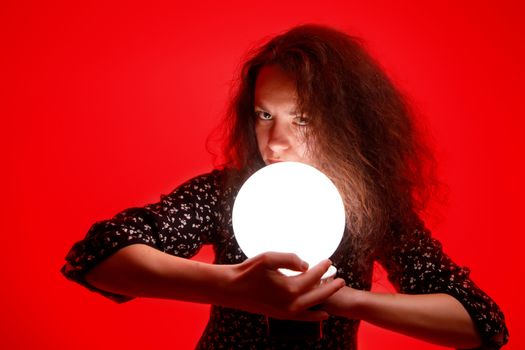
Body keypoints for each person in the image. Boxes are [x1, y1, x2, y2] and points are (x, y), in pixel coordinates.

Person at [61, 24, 508, 349]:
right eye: (264, 115)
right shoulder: (228, 195)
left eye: (303, 119)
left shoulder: (372, 209)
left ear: (346, 123)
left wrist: (345, 300)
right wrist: (229, 285)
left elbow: (480, 323)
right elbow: (98, 256)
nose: (275, 142)